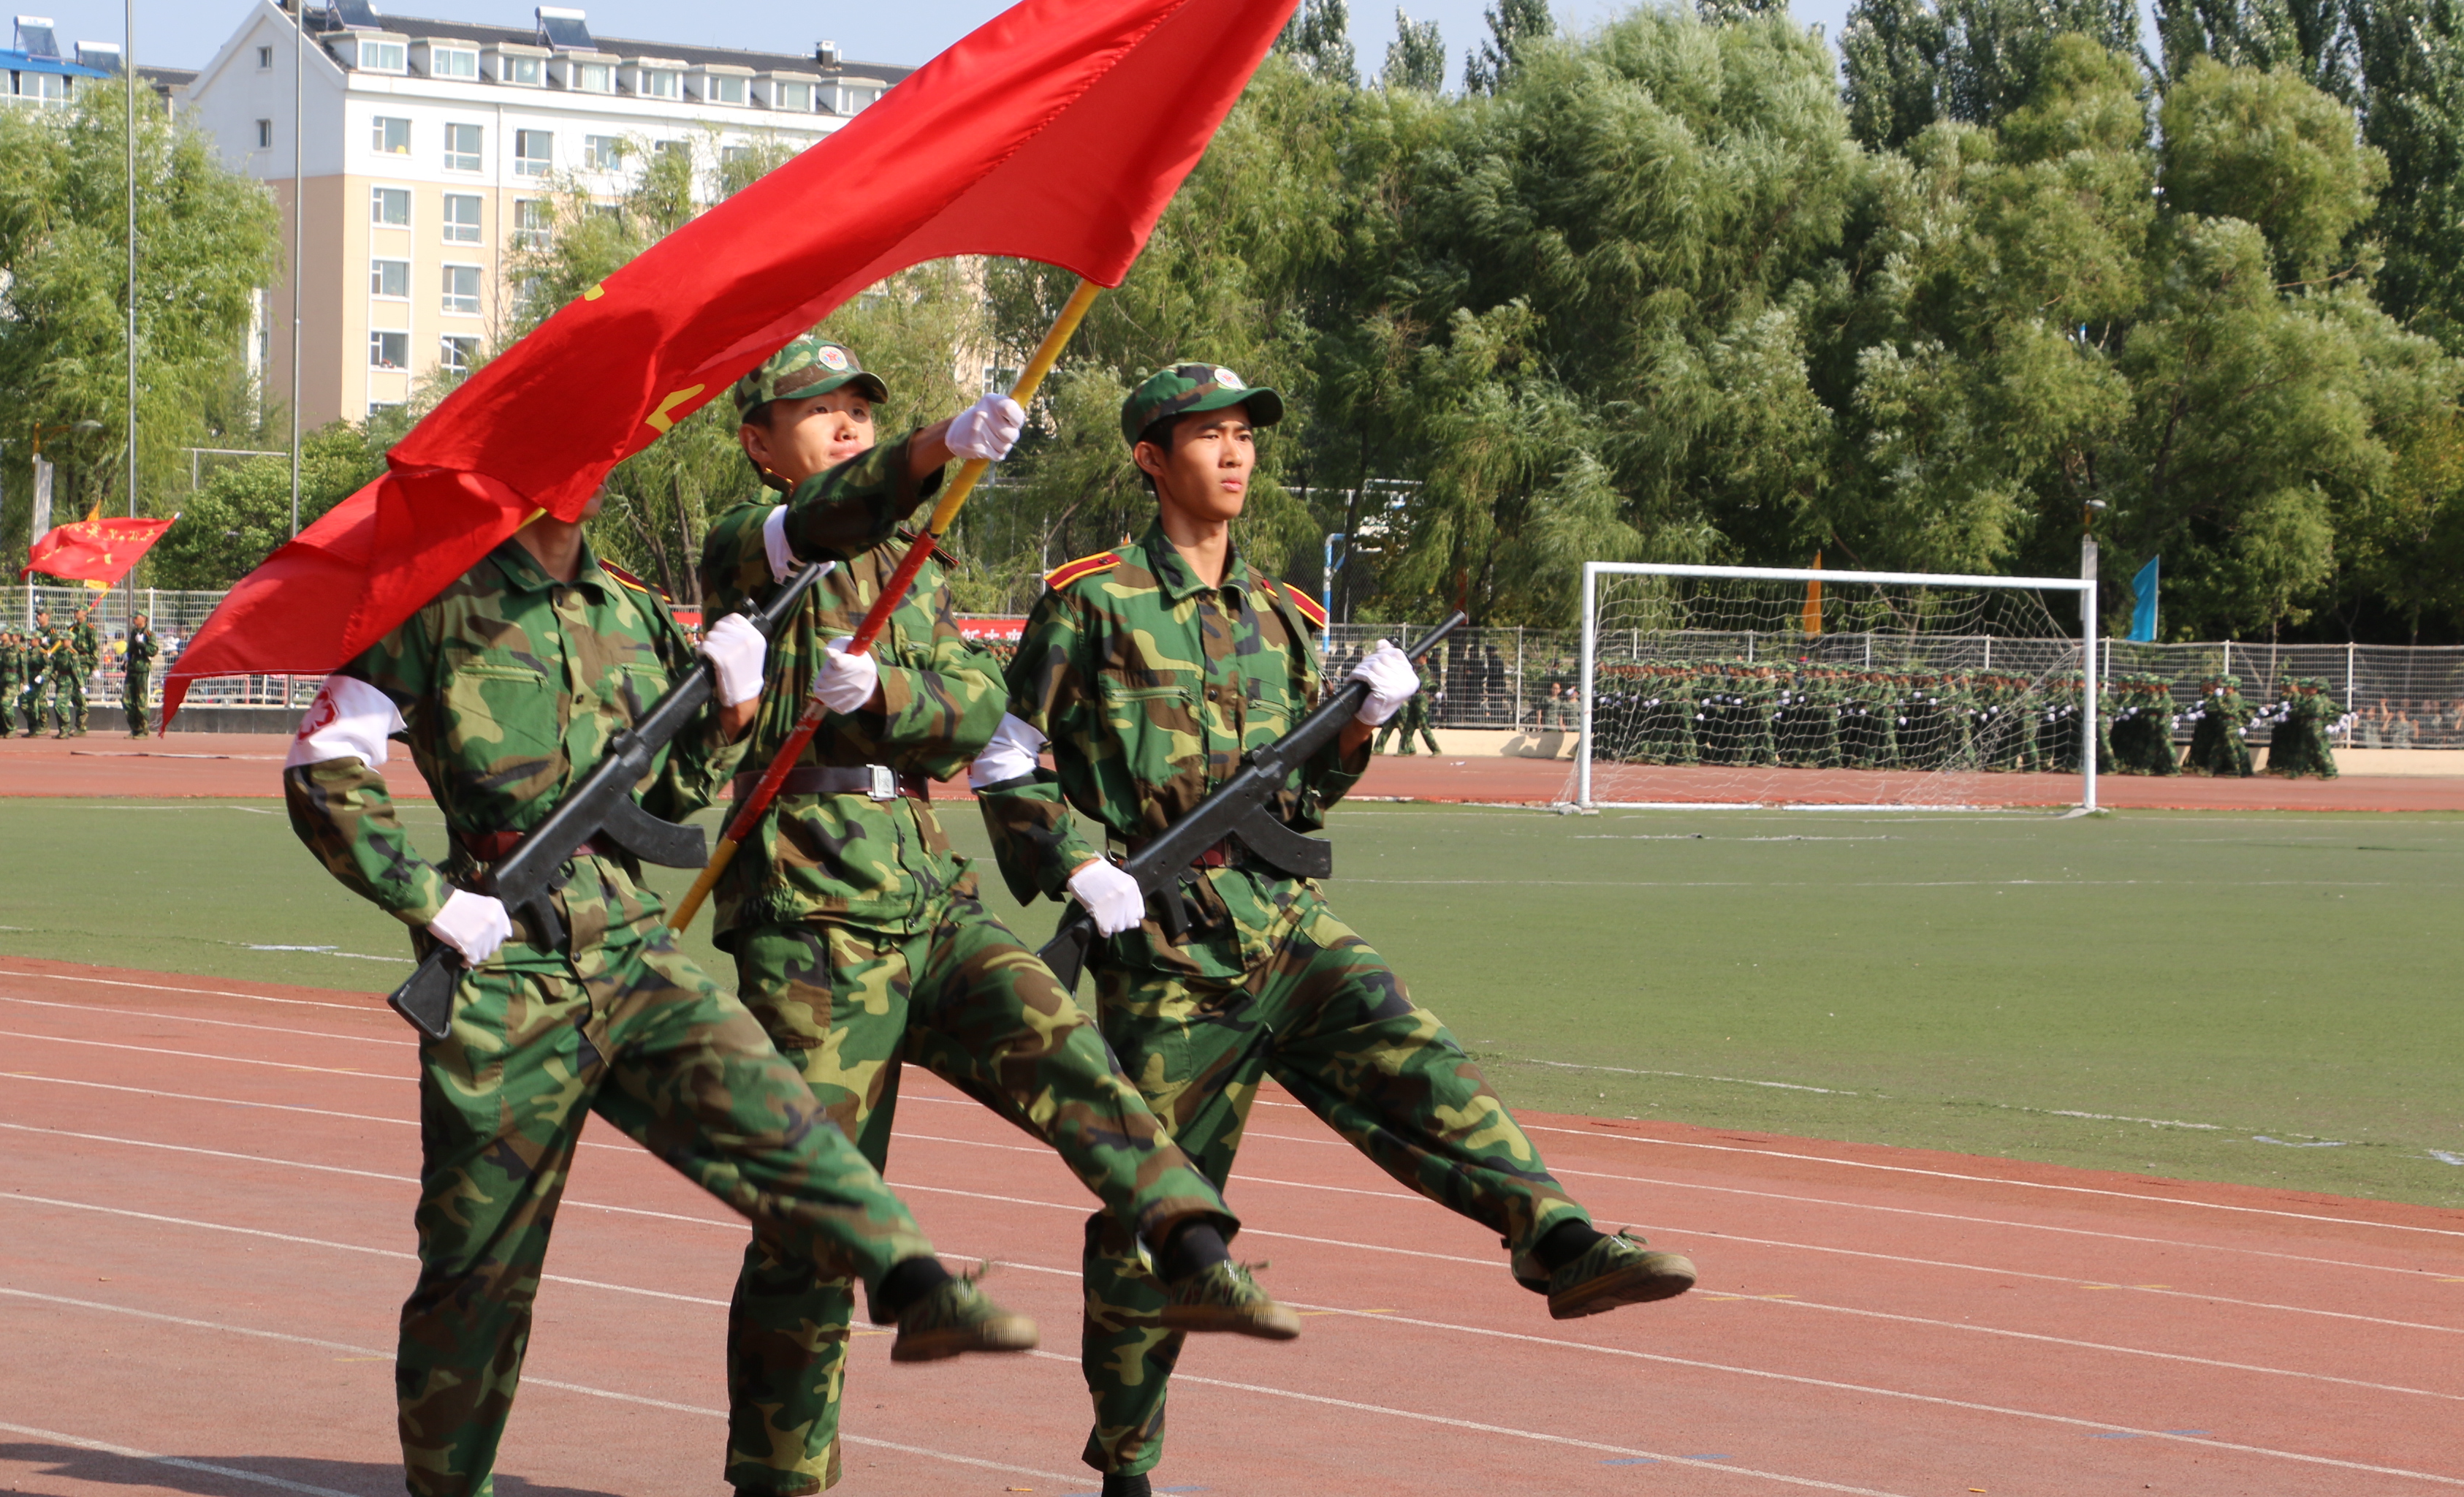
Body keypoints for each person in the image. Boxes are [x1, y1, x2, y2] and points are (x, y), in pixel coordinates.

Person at [975, 364, 1699, 1497]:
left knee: (1418, 1053)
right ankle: (1125, 1463)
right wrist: (1075, 862)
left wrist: (1358, 724)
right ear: (1151, 460)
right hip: (1165, 956)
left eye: (1244, 435)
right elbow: (1006, 756)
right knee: (1154, 1212)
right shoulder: (1094, 602)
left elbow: (1299, 803)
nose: (1235, 453)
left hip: (1284, 925)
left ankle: (1557, 1240)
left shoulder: (1282, 616)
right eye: (1208, 435)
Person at [281, 487, 1038, 1497]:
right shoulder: (436, 606)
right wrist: (432, 901)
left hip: (629, 938)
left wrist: (729, 711)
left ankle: (913, 1278)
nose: (599, 463)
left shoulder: (632, 609)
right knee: (479, 1271)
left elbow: (672, 797)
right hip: (504, 970)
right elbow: (324, 765)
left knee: (782, 1117)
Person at [700, 338, 1290, 1497]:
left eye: (861, 409)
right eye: (816, 412)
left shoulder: (917, 561)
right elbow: (829, 514)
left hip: (927, 886)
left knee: (1075, 1058)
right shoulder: (755, 547)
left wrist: (893, 695)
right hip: (810, 910)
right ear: (762, 446)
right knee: (818, 1214)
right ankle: (778, 1477)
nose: (847, 424)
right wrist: (934, 447)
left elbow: (975, 709)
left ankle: (1190, 1244)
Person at [123, 611, 159, 737]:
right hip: (132, 667)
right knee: (127, 700)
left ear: (144, 618)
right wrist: (125, 660)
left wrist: (142, 644)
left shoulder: (149, 634)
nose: (134, 620)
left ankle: (143, 729)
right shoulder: (134, 632)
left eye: (136, 618)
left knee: (140, 700)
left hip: (142, 668)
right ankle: (135, 728)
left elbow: (153, 651)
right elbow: (130, 649)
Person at [67, 605, 97, 735]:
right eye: (74, 611)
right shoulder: (72, 628)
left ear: (85, 613)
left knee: (78, 691)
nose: (75, 613)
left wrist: (94, 666)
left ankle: (82, 724)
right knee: (73, 693)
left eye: (77, 611)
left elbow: (94, 648)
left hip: (84, 663)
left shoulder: (90, 629)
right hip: (73, 662)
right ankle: (79, 723)